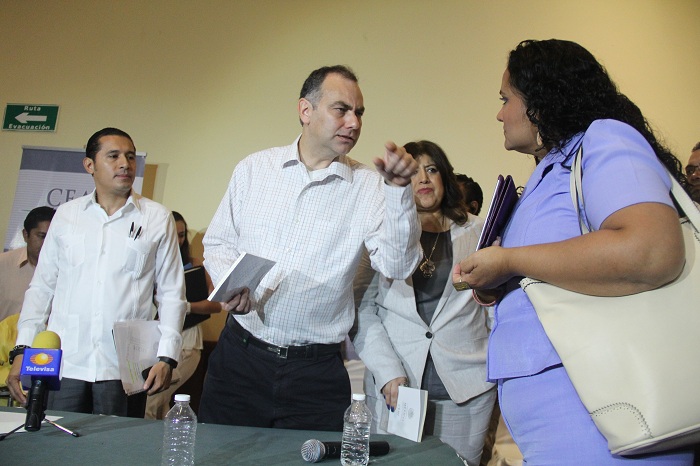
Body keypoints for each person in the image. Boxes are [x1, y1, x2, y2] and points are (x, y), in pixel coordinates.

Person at [452, 39, 693, 464]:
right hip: (566, 420)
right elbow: (557, 268)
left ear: (539, 100)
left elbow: (651, 250)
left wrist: (510, 260)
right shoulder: (550, 169)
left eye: (506, 100)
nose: (500, 114)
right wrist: (495, 281)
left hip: (604, 417)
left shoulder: (604, 139)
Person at [200, 65, 422, 431]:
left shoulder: (369, 187)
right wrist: (231, 285)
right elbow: (219, 241)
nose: (354, 123)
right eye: (341, 110)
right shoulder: (254, 169)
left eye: (359, 113)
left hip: (315, 375)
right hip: (240, 360)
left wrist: (399, 192)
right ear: (306, 110)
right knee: (221, 453)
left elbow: (397, 266)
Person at [6, 127, 186, 417]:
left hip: (124, 367)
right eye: (113, 156)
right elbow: (42, 288)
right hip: (66, 363)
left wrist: (167, 357)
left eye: (130, 156)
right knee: (57, 441)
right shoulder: (67, 215)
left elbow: (172, 293)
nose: (125, 164)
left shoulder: (156, 217)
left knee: (115, 443)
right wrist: (22, 349)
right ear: (90, 165)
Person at [353, 140, 495, 465]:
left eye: (431, 169)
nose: (424, 179)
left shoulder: (480, 231)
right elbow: (362, 310)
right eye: (413, 172)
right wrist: (387, 371)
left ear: (445, 176)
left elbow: (495, 309)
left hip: (467, 389)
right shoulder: (380, 235)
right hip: (397, 388)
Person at [145, 211, 222, 419]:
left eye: (181, 235)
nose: (178, 240)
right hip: (156, 340)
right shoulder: (151, 262)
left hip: (187, 342)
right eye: (173, 234)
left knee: (153, 398)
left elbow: (216, 304)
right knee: (157, 400)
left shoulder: (195, 264)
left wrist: (183, 307)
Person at [0, 206, 55, 323]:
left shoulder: (68, 270)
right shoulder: (3, 264)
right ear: (25, 235)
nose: (48, 243)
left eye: (53, 238)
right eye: (42, 236)